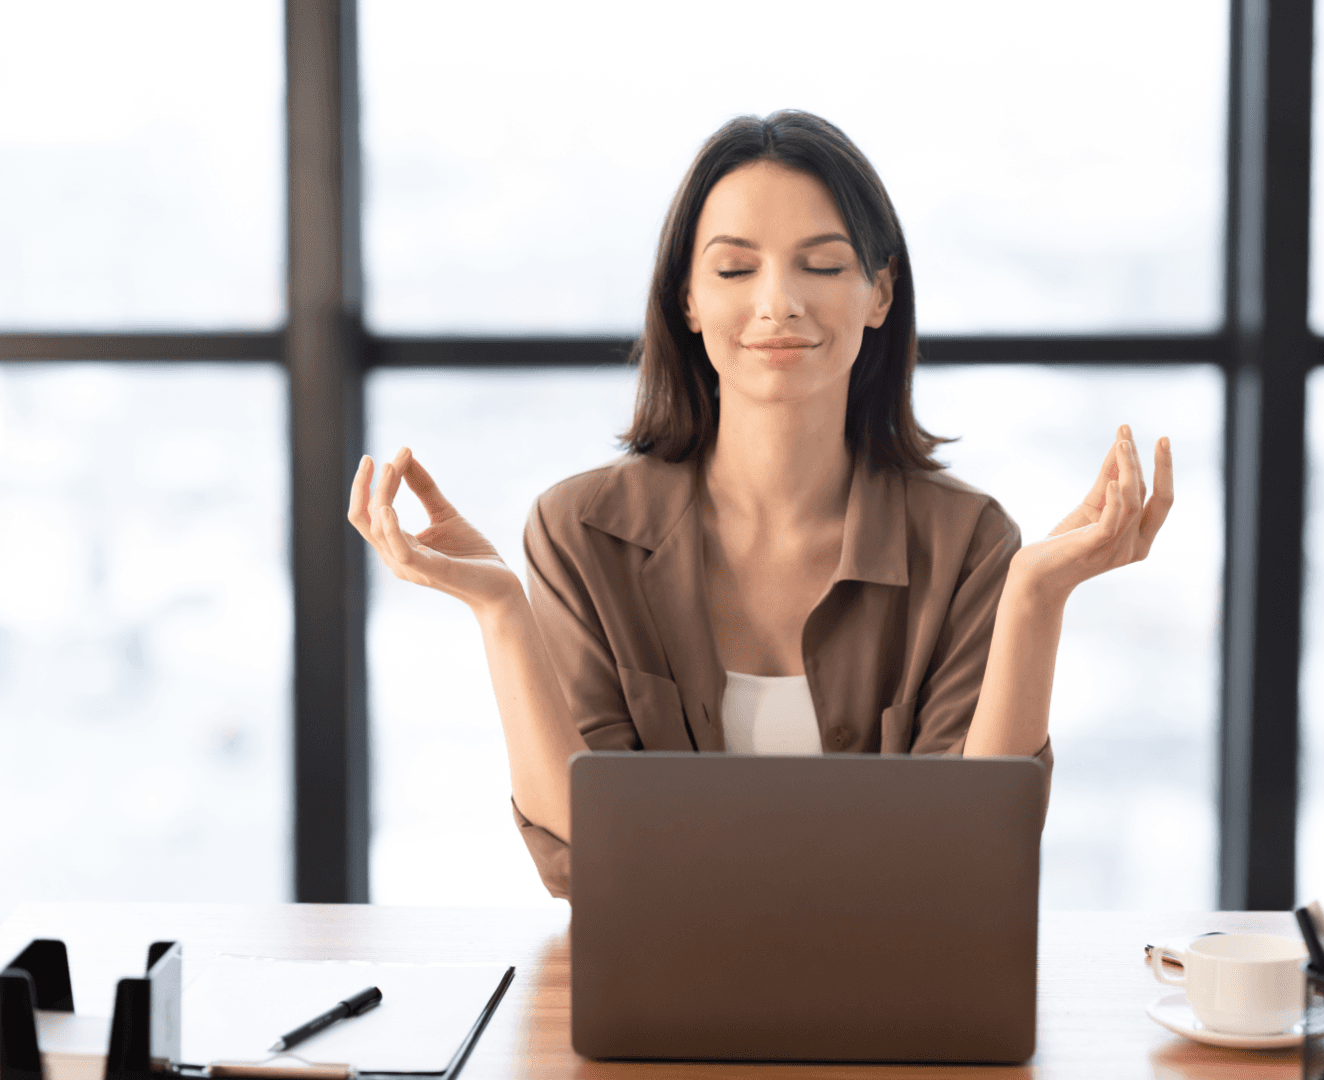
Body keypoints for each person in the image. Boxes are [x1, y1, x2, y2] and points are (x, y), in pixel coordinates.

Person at [347, 110, 1172, 899]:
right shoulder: (580, 532)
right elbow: (589, 853)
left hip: (894, 1004)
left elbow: (970, 859)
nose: (778, 302)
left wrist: (1037, 594)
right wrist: (499, 609)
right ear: (689, 302)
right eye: (736, 269)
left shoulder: (970, 542)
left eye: (823, 264)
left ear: (880, 294)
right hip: (659, 999)